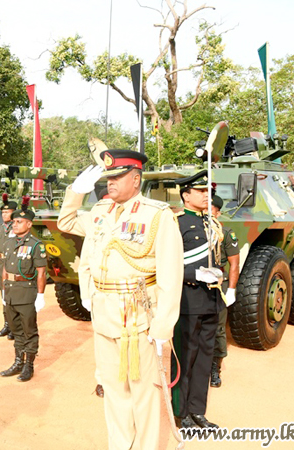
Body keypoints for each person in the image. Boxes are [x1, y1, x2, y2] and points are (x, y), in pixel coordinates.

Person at [57, 150, 184, 449]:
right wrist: (76, 193)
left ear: (136, 178)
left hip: (140, 317)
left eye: (116, 177)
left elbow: (170, 275)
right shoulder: (100, 212)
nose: (109, 182)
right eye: (108, 177)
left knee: (144, 393)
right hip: (104, 315)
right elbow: (65, 222)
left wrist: (163, 328)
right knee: (114, 390)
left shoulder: (157, 215)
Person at [171, 170, 225, 429]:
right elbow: (166, 265)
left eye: (208, 191)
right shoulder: (175, 224)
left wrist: (217, 273)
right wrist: (196, 274)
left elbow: (217, 256)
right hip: (187, 300)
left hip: (212, 299)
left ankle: (197, 411)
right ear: (186, 195)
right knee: (185, 358)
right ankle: (180, 414)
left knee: (205, 358)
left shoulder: (212, 223)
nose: (207, 195)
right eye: (201, 191)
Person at [0, 196, 47, 382]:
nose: (15, 225)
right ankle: (18, 362)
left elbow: (41, 272)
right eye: (13, 222)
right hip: (11, 292)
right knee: (16, 330)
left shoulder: (36, 245)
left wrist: (40, 296)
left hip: (26, 293)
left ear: (29, 224)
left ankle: (29, 366)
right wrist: (4, 289)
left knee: (29, 331)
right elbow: (5, 266)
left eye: (19, 222)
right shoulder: (9, 242)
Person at [210, 195, 239, 388]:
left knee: (218, 329)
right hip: (195, 283)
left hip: (218, 285)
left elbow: (234, 264)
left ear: (218, 212)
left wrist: (231, 290)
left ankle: (215, 368)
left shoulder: (226, 233)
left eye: (211, 209)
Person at [0, 193, 16, 340]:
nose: (4, 214)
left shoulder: (17, 228)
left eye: (7, 212)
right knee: (3, 295)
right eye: (2, 212)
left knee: (13, 296)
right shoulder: (1, 228)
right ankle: (7, 325)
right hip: (2, 263)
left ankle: (15, 327)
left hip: (12, 264)